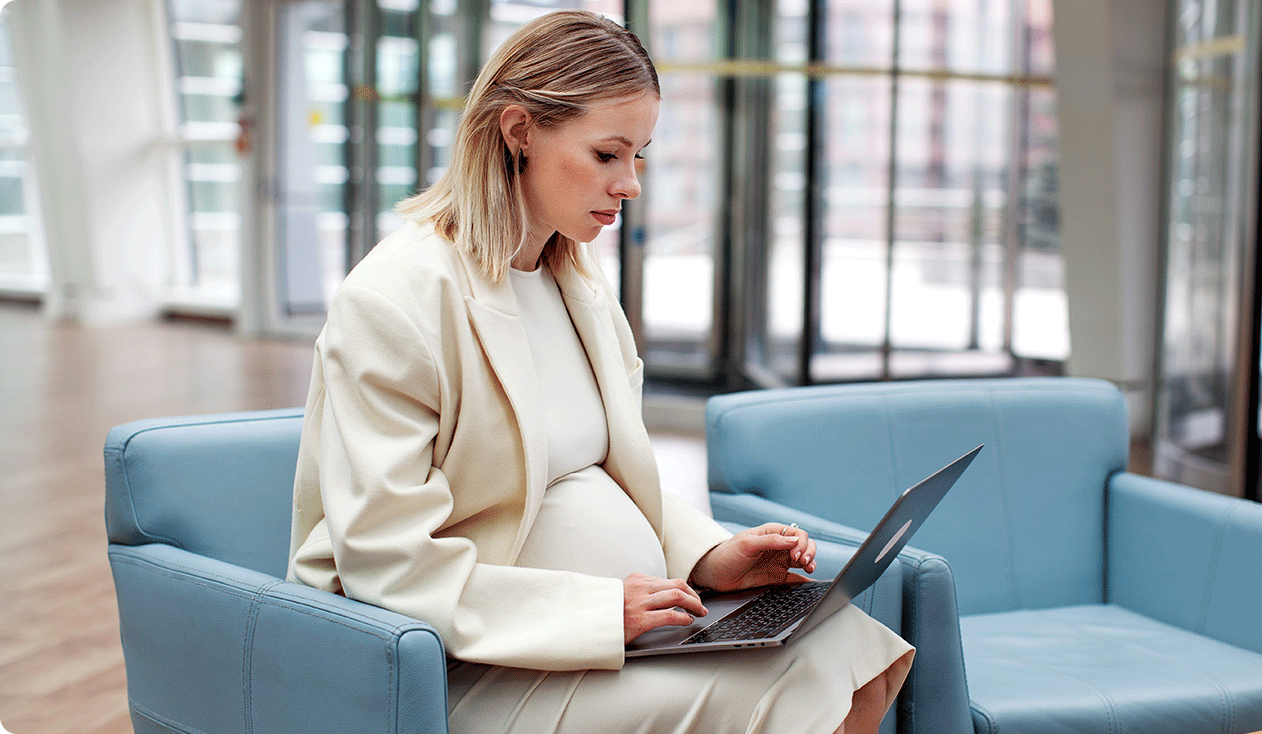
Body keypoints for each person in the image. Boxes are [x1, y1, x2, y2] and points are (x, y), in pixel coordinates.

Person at [287, 10, 913, 733]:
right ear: (519, 132)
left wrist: (711, 556)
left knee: (854, 652)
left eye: (640, 155)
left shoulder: (574, 283)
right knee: (792, 688)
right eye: (608, 154)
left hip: (598, 642)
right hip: (468, 662)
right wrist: (597, 612)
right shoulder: (395, 301)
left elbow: (601, 471)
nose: (631, 185)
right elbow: (386, 561)